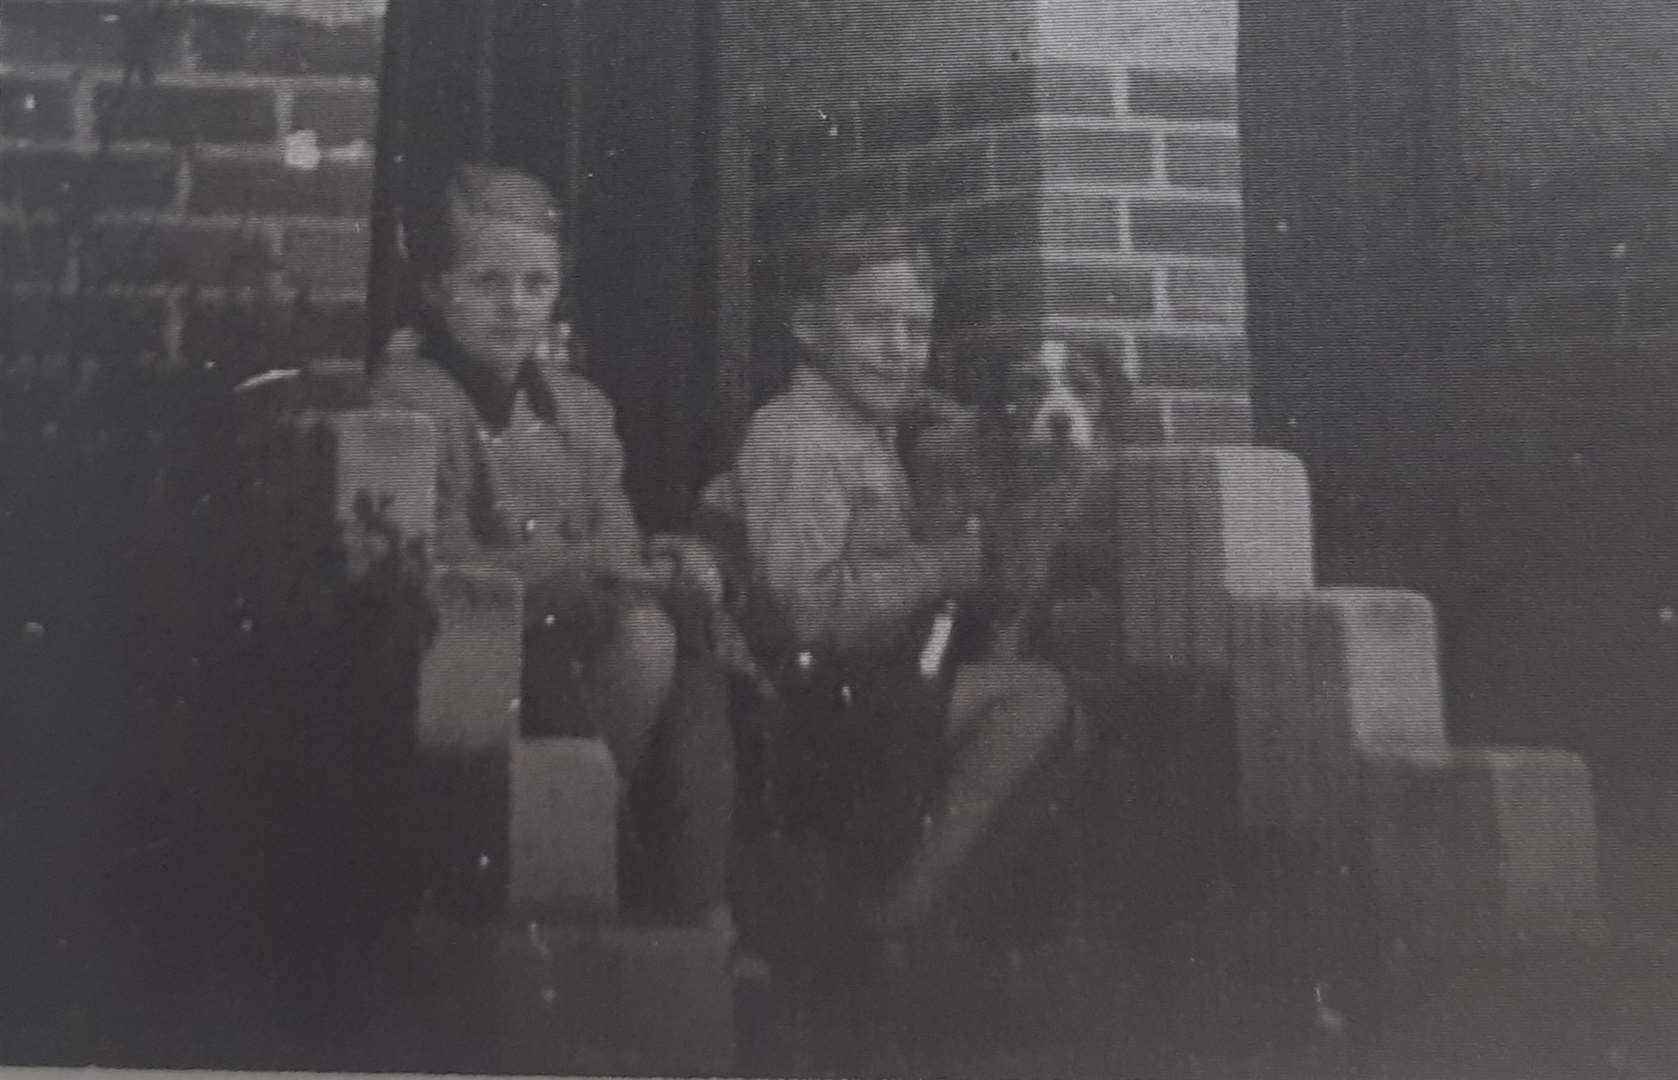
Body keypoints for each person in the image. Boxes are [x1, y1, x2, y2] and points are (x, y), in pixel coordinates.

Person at [371, 164, 737, 940]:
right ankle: (601, 865)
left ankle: (692, 896)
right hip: (493, 651)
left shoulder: (579, 409)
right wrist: (583, 572)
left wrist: (659, 563)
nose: (515, 307)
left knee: (688, 633)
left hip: (592, 636)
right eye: (490, 282)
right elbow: (436, 556)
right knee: (646, 634)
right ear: (437, 289)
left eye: (537, 286)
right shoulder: (415, 399)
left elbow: (614, 531)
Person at [730, 209, 1075, 937]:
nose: (898, 352)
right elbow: (803, 610)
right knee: (1039, 700)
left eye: (915, 330)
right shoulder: (799, 438)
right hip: (814, 709)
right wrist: (937, 568)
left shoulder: (865, 426)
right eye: (872, 326)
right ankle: (903, 912)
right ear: (809, 327)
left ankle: (939, 916)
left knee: (1055, 710)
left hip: (875, 694)